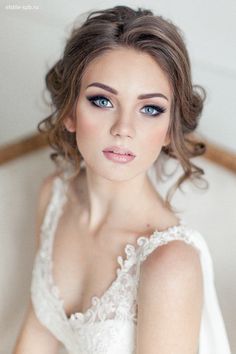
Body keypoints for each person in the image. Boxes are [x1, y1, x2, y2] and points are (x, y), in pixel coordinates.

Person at [13, 5, 231, 354]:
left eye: (150, 109)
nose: (123, 129)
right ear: (69, 112)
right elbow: (35, 337)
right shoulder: (53, 196)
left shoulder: (169, 263)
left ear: (168, 130)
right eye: (102, 100)